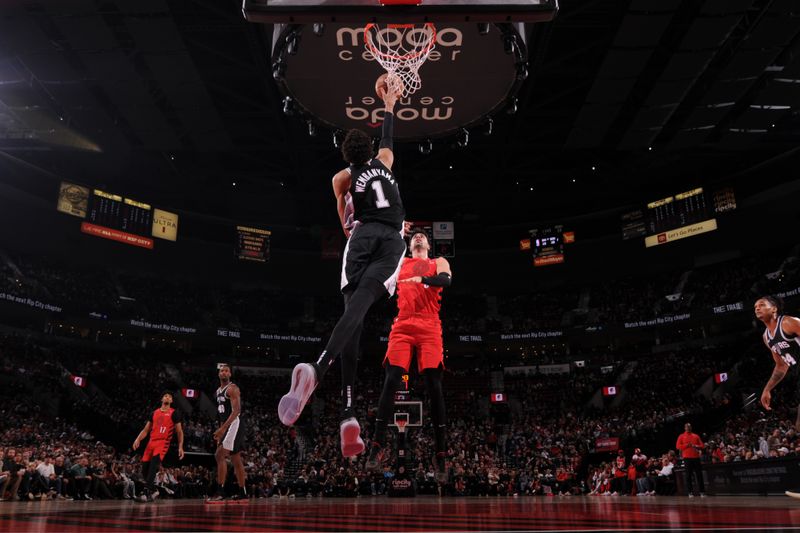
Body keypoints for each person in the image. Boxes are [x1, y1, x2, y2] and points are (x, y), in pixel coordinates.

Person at [278, 77, 407, 457]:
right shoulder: (385, 163)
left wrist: (351, 224)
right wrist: (388, 101)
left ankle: (321, 373)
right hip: (392, 240)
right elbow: (388, 136)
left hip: (362, 237)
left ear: (345, 155)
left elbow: (343, 219)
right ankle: (347, 413)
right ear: (370, 150)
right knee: (362, 307)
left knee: (352, 313)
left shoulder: (342, 178)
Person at [365, 230, 451, 480]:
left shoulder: (438, 262)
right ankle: (377, 446)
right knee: (391, 379)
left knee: (434, 384)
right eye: (414, 236)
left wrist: (422, 279)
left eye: (423, 236)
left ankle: (441, 453)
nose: (418, 238)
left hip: (429, 324)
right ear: (409, 243)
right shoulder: (400, 262)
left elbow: (445, 281)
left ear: (428, 244)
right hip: (403, 324)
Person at [132, 391, 185, 502]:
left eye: (170, 397)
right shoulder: (154, 413)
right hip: (151, 442)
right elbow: (146, 430)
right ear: (162, 399)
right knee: (144, 469)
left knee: (153, 467)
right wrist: (138, 439)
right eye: (165, 396)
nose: (167, 397)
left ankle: (146, 492)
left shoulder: (174, 413)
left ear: (171, 401)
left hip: (163, 442)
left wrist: (180, 447)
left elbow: (179, 432)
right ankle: (154, 490)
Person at [207, 364, 247, 503]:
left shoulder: (232, 388)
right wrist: (220, 433)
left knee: (219, 455)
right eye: (221, 371)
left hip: (235, 423)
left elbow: (236, 411)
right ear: (219, 374)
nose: (223, 373)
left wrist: (223, 429)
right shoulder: (218, 391)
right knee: (236, 459)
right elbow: (221, 415)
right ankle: (243, 493)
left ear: (230, 374)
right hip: (227, 425)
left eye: (226, 371)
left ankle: (221, 492)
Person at [755, 296, 800, 418]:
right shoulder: (766, 337)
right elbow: (781, 365)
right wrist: (767, 389)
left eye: (762, 305)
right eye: (755, 307)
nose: (757, 308)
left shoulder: (788, 322)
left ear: (774, 309)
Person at [676, 423, 705, 497]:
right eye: (687, 427)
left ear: (691, 427)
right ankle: (690, 492)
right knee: (688, 476)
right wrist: (687, 445)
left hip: (696, 458)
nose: (688, 428)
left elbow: (702, 446)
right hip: (687, 458)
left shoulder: (696, 436)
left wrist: (696, 446)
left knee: (699, 475)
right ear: (684, 428)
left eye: (689, 426)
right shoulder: (681, 436)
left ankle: (702, 492)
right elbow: (678, 446)